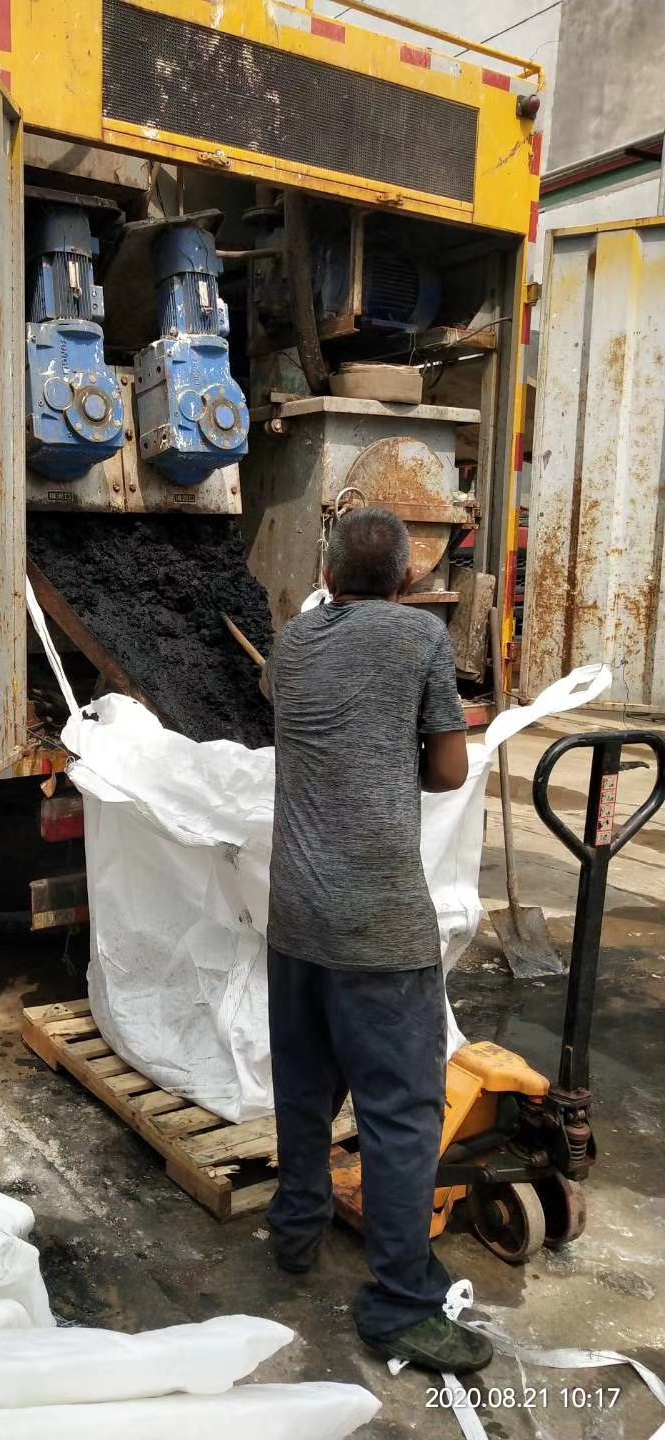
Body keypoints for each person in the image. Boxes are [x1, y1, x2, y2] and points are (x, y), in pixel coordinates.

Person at [260, 506, 492, 1375]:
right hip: (379, 927)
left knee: (306, 1086)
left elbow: (282, 709)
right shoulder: (418, 639)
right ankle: (400, 1305)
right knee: (400, 1116)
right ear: (405, 581)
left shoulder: (291, 642)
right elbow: (447, 770)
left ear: (325, 577)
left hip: (296, 918)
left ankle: (294, 1231)